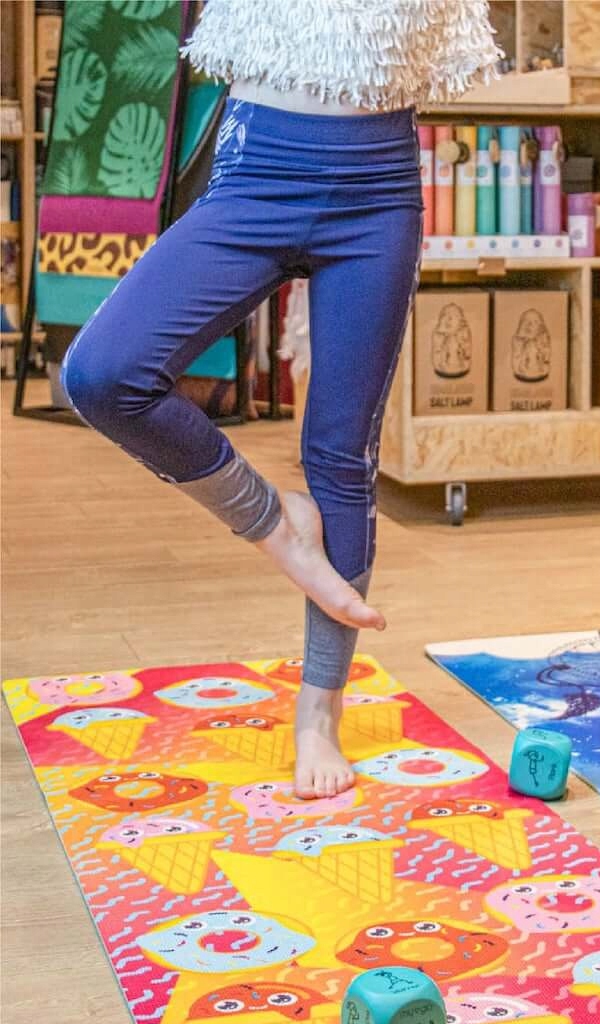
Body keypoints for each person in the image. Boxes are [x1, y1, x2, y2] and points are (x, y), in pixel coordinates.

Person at [60, 0, 501, 799]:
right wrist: (261, 517)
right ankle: (275, 525)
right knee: (103, 374)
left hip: (377, 192)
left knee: (341, 454)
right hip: (256, 174)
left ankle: (319, 714)